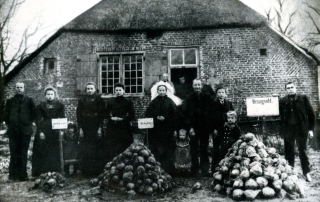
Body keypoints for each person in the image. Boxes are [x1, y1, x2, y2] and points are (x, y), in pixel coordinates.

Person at [279, 82, 315, 182]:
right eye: (288, 88)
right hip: (288, 130)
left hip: (301, 129)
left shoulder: (303, 98)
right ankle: (290, 172)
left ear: (295, 88)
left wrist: (311, 129)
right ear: (286, 90)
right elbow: (279, 116)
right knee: (288, 151)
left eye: (292, 87)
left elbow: (311, 114)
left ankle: (306, 172)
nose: (290, 89)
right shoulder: (283, 100)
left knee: (302, 151)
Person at [181, 79, 214, 177]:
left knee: (204, 148)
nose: (197, 87)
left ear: (202, 86)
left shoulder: (207, 97)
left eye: (199, 85)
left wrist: (210, 127)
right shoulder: (188, 98)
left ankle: (204, 170)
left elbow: (211, 113)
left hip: (204, 127)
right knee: (194, 149)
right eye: (195, 85)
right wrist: (189, 127)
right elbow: (185, 114)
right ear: (192, 86)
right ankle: (194, 170)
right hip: (193, 128)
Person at [3, 82, 36, 181]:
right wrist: (11, 124)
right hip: (13, 131)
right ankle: (13, 176)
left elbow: (34, 114)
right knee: (14, 152)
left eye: (21, 87)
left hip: (25, 131)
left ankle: (23, 175)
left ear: (24, 88)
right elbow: (6, 115)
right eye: (17, 87)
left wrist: (28, 123)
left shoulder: (29, 101)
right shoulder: (10, 101)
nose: (19, 89)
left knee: (23, 152)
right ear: (15, 88)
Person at [145, 81, 179, 174]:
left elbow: (175, 115)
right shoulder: (153, 102)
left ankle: (168, 170)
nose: (161, 92)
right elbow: (148, 114)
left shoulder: (170, 102)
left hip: (167, 129)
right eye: (160, 90)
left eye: (163, 90)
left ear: (166, 91)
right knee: (156, 149)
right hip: (156, 130)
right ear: (157, 91)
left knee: (168, 149)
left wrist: (166, 118)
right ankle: (157, 169)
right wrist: (156, 118)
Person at [32, 87, 65, 177]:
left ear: (54, 95)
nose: (50, 96)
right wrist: (40, 131)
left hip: (55, 129)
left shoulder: (60, 105)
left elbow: (62, 118)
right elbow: (38, 120)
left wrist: (62, 130)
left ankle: (56, 170)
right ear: (45, 95)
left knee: (55, 149)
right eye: (48, 94)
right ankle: (42, 171)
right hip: (45, 128)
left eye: (51, 94)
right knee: (42, 149)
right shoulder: (40, 106)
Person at [76, 82, 105, 176]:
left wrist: (100, 128)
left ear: (95, 89)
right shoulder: (82, 100)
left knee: (96, 148)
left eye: (91, 88)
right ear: (86, 90)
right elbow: (78, 115)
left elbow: (102, 115)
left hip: (95, 126)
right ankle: (86, 171)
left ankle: (97, 171)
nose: (89, 90)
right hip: (85, 127)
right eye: (88, 89)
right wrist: (80, 128)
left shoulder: (99, 100)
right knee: (86, 148)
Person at [105, 83, 135, 163]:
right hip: (113, 126)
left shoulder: (128, 102)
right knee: (113, 145)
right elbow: (105, 113)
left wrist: (122, 119)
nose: (118, 92)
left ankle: (125, 163)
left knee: (124, 145)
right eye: (116, 90)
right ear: (114, 91)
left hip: (124, 126)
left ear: (123, 91)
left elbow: (132, 115)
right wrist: (111, 118)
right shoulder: (110, 101)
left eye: (120, 90)